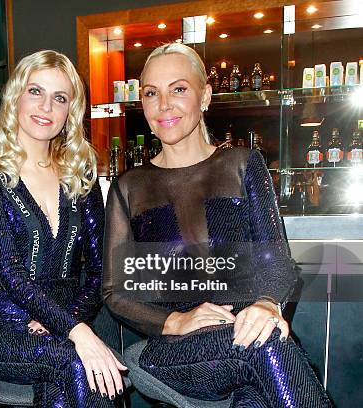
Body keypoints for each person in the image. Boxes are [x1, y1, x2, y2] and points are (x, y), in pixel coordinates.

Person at [103, 43, 331, 407]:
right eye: (151, 93)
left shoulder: (243, 164)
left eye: (178, 89)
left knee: (256, 390)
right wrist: (177, 321)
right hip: (173, 352)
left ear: (205, 95)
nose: (163, 105)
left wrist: (268, 304)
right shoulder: (129, 186)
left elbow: (276, 260)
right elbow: (116, 293)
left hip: (247, 339)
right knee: (263, 344)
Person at [0, 50, 127, 407]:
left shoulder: (80, 176)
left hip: (66, 317)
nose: (46, 107)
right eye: (35, 91)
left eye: (60, 98)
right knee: (75, 362)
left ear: (71, 110)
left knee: (83, 372)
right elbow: (11, 275)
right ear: (15, 98)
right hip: (3, 327)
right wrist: (74, 330)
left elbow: (101, 271)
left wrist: (67, 321)